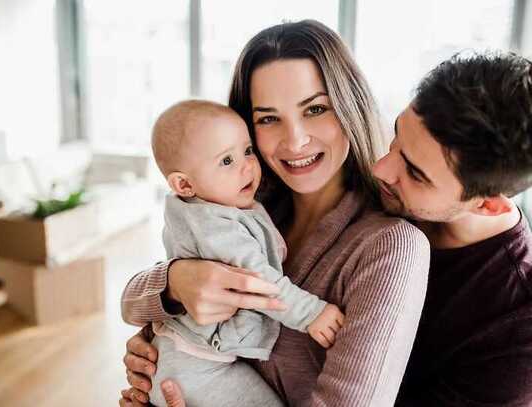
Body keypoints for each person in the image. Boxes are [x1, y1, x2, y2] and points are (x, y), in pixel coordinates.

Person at [120, 19, 430, 406]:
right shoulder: (245, 201)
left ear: (349, 106)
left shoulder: (389, 246)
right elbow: (131, 302)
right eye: (268, 118)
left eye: (316, 108)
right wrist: (173, 286)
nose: (295, 140)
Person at [146, 99, 344, 406]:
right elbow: (258, 280)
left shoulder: (215, 204)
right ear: (184, 184)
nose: (247, 165)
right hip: (196, 366)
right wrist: (311, 314)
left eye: (247, 151)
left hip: (189, 356)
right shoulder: (215, 228)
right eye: (227, 161)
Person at [373, 52, 532, 406]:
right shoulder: (382, 192)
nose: (380, 169)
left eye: (415, 173)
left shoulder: (516, 337)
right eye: (397, 135)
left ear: (489, 205)